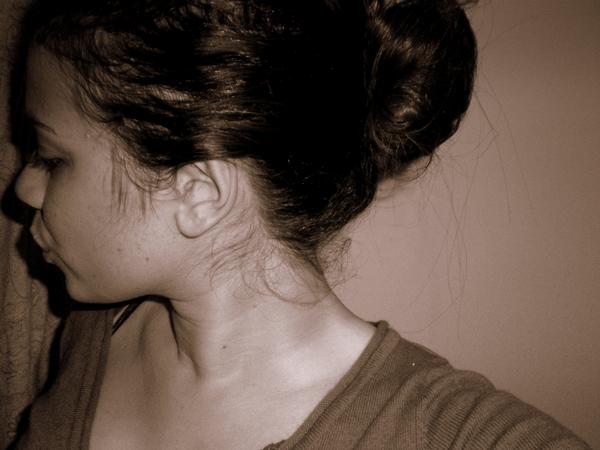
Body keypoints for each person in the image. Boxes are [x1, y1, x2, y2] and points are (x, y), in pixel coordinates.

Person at [9, 0, 591, 448]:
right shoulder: (92, 332)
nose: (23, 189)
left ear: (198, 194)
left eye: (51, 158)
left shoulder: (455, 433)